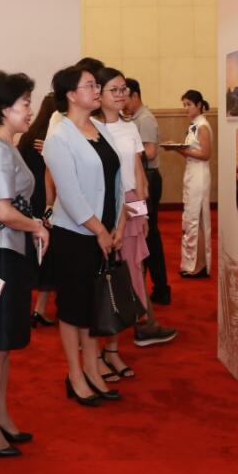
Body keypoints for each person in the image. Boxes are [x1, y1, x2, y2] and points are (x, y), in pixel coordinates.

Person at [0, 71, 49, 457]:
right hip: (0, 253)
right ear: (4, 108)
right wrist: (37, 226)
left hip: (6, 250)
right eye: (25, 103)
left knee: (2, 344)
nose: (30, 110)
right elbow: (2, 210)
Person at [43, 63, 124, 406]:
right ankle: (75, 375)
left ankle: (93, 370)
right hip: (76, 235)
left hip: (104, 232)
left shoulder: (99, 129)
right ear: (71, 95)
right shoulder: (58, 137)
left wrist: (118, 225)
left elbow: (117, 179)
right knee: (73, 308)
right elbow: (71, 194)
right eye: (90, 85)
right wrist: (100, 230)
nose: (96, 90)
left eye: (96, 85)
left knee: (93, 308)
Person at [93, 68, 176, 374]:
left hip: (130, 206)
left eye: (123, 90)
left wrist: (142, 214)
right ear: (98, 93)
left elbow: (139, 174)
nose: (120, 95)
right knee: (102, 277)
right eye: (113, 90)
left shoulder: (130, 128)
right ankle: (96, 351)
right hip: (102, 208)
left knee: (131, 271)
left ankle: (115, 347)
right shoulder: (90, 128)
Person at [124, 78, 170, 306]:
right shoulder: (133, 120)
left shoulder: (145, 119)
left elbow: (150, 152)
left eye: (124, 95)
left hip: (147, 179)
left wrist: (127, 150)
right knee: (145, 234)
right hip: (139, 179)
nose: (122, 101)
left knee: (149, 233)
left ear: (135, 95)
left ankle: (161, 287)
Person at [17, 92, 58, 326]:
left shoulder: (28, 136)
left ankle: (32, 306)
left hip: (30, 197)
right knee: (49, 254)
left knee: (35, 252)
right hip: (49, 197)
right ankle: (40, 308)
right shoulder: (54, 138)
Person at [171, 89, 212, 278]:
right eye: (184, 105)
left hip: (199, 174)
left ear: (199, 105)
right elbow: (193, 151)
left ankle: (196, 266)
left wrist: (180, 150)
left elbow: (205, 154)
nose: (186, 108)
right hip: (192, 173)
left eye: (188, 104)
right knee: (192, 218)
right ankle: (196, 264)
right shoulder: (194, 125)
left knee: (195, 219)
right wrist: (180, 148)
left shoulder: (202, 126)